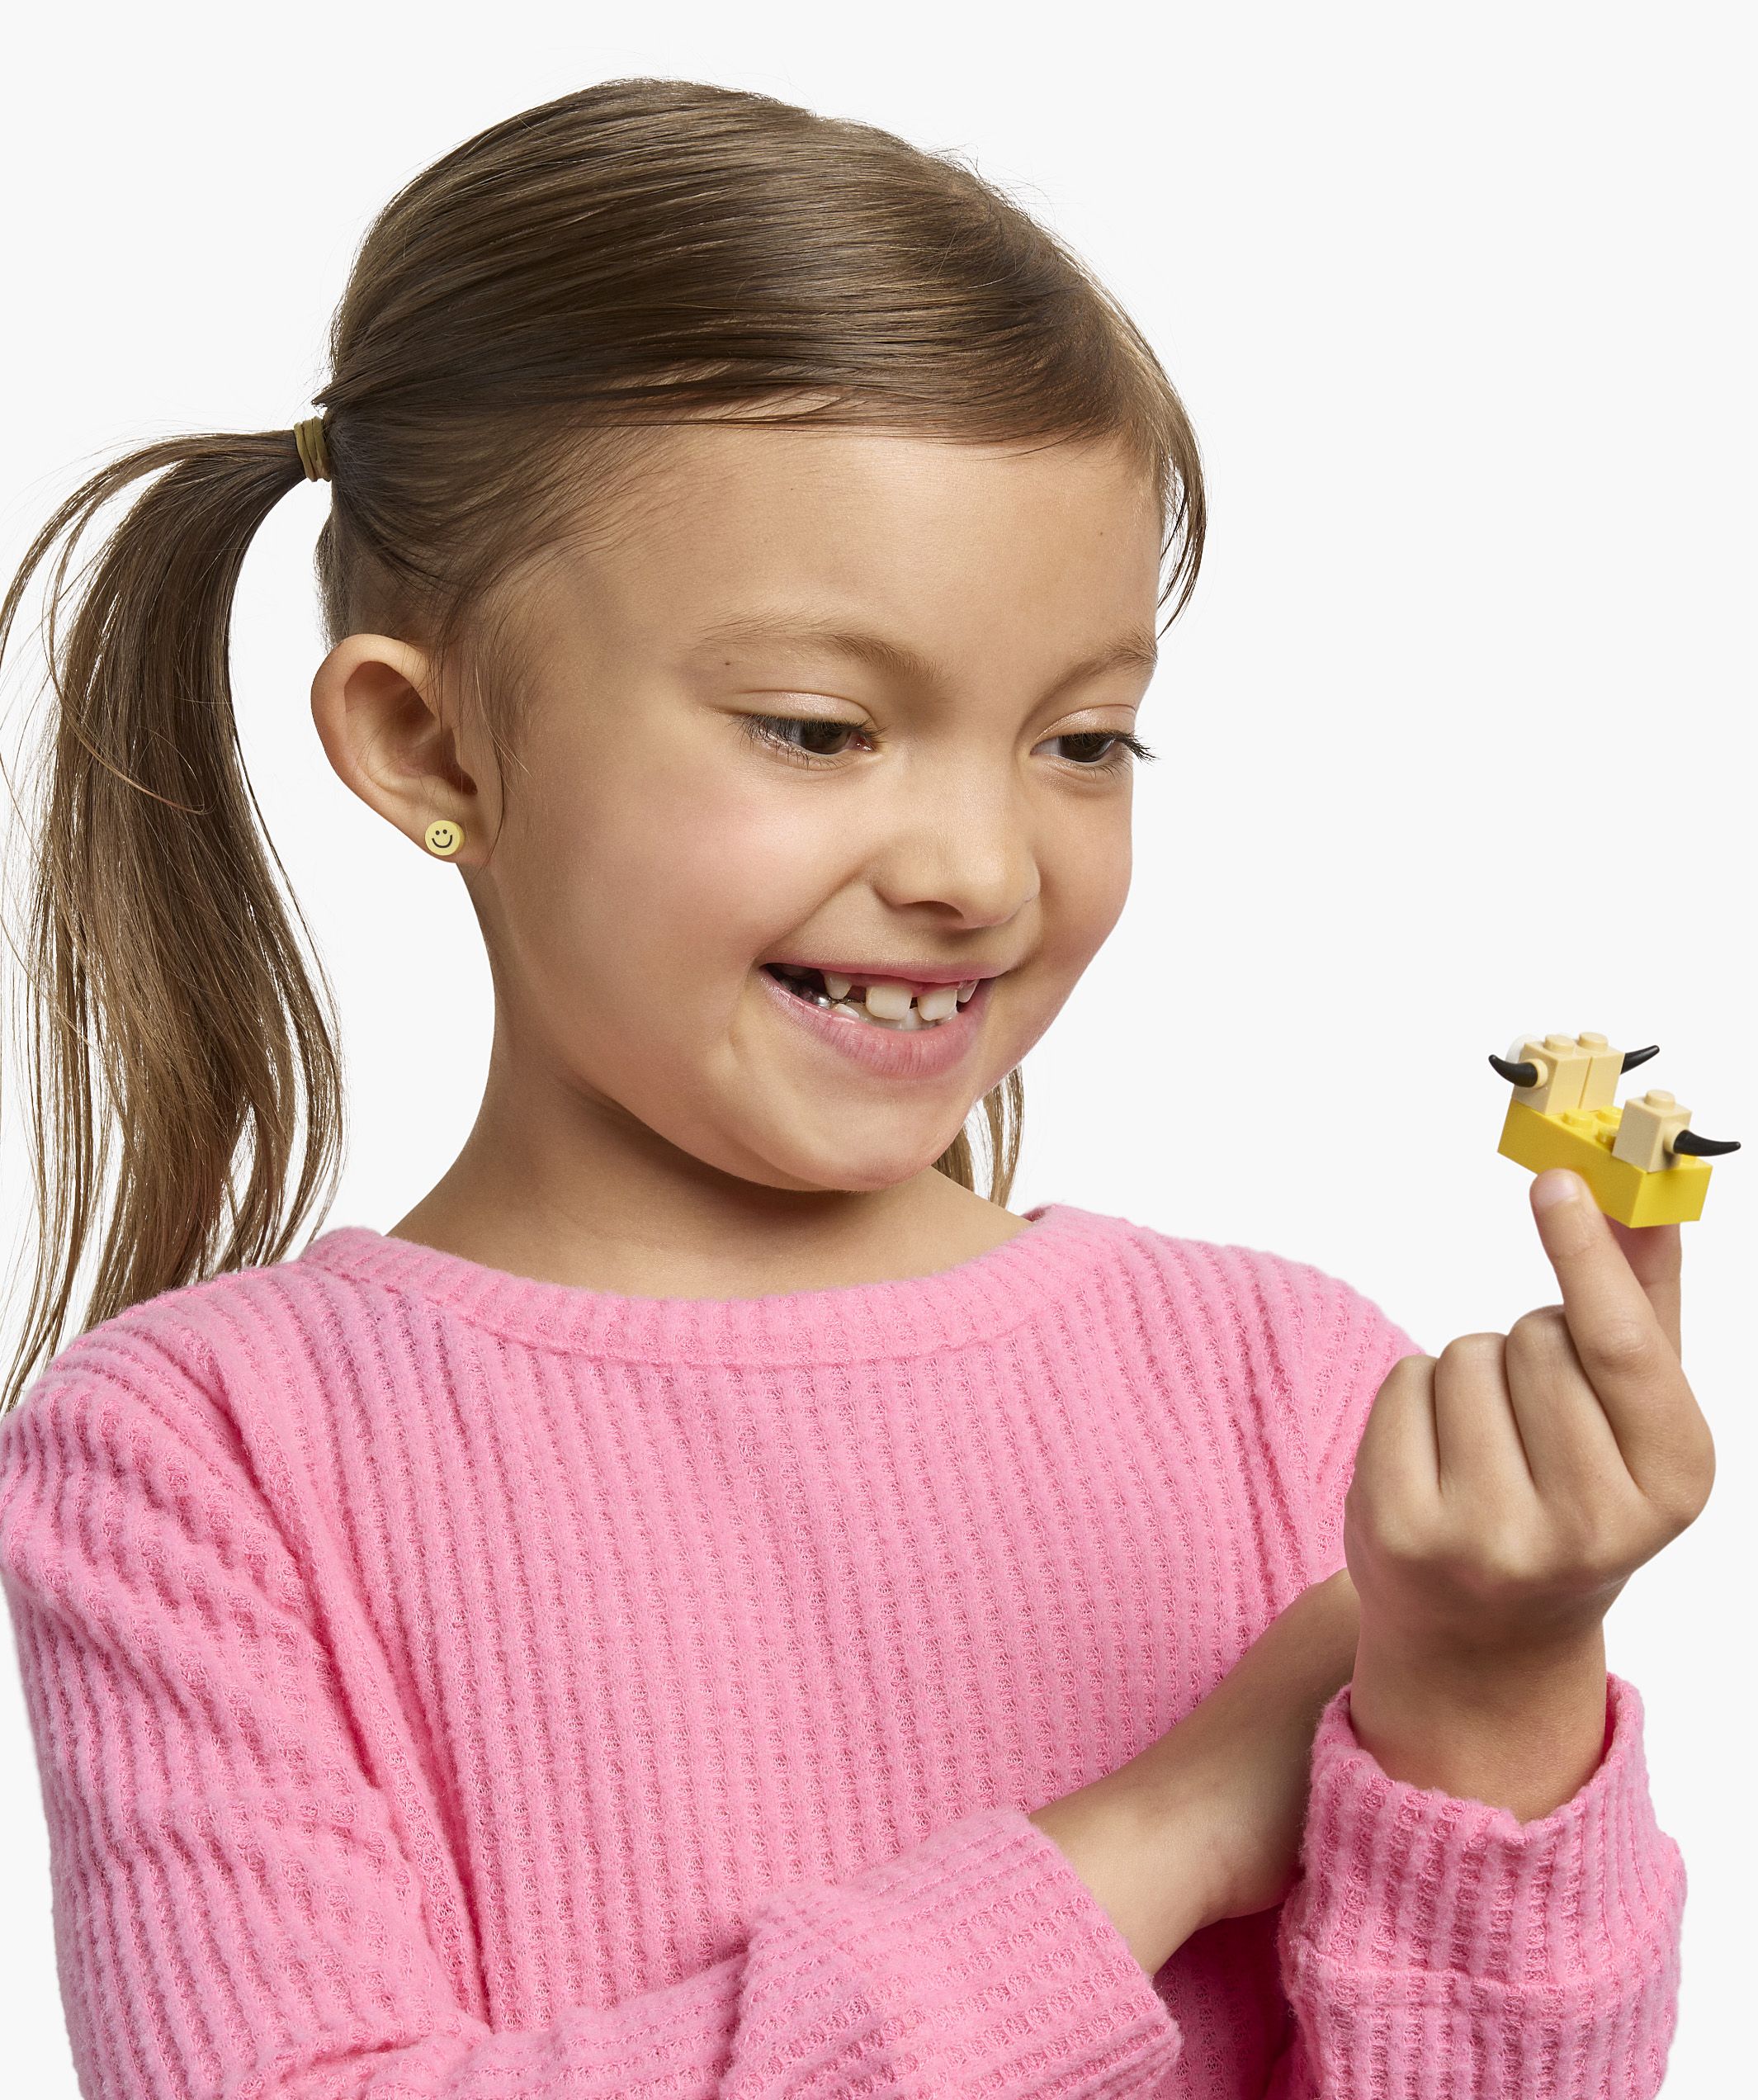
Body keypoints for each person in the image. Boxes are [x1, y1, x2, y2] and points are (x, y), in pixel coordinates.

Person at [0, 77, 1702, 2100]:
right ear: (431, 747)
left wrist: (1494, 1699)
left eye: (1083, 742)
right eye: (818, 730)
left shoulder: (1283, 1394)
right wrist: (1154, 1838)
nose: (982, 868)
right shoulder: (202, 1459)